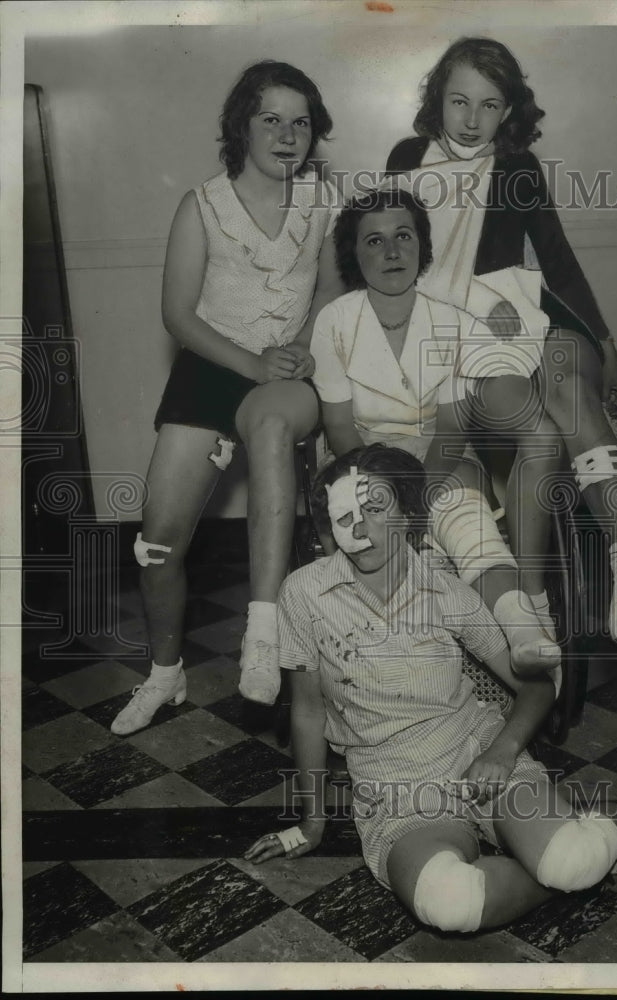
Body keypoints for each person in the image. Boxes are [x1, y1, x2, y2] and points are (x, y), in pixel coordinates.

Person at [243, 445, 617, 932]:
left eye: (376, 508)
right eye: (345, 514)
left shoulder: (445, 592)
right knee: (452, 903)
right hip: (394, 791)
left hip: (476, 755)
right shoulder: (304, 594)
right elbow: (307, 712)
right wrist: (312, 822)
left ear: (410, 514)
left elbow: (537, 685)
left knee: (573, 859)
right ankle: (579, 866)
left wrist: (502, 751)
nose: (361, 528)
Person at [385, 36, 617, 647]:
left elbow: (558, 265)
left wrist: (609, 350)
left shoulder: (518, 167)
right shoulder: (407, 158)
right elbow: (397, 259)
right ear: (438, 99)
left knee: (569, 386)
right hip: (462, 330)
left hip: (528, 312)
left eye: (489, 105)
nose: (472, 119)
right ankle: (523, 593)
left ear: (508, 111)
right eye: (459, 102)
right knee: (529, 416)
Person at [111, 60, 343, 736]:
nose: (286, 134)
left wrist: (298, 345)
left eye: (300, 122)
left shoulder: (321, 202)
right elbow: (178, 315)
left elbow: (328, 289)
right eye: (270, 118)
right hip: (215, 368)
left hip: (290, 376)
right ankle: (164, 675)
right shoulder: (201, 204)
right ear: (240, 126)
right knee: (155, 545)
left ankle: (301, 665)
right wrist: (254, 362)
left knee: (330, 534)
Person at [310, 185, 561, 675]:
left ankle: (523, 628)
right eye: (374, 241)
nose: (392, 251)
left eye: (404, 236)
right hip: (361, 459)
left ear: (422, 246)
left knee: (467, 517)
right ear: (353, 255)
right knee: (364, 521)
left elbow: (451, 425)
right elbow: (339, 426)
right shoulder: (335, 321)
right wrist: (381, 486)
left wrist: (417, 492)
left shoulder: (449, 318)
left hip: (439, 455)